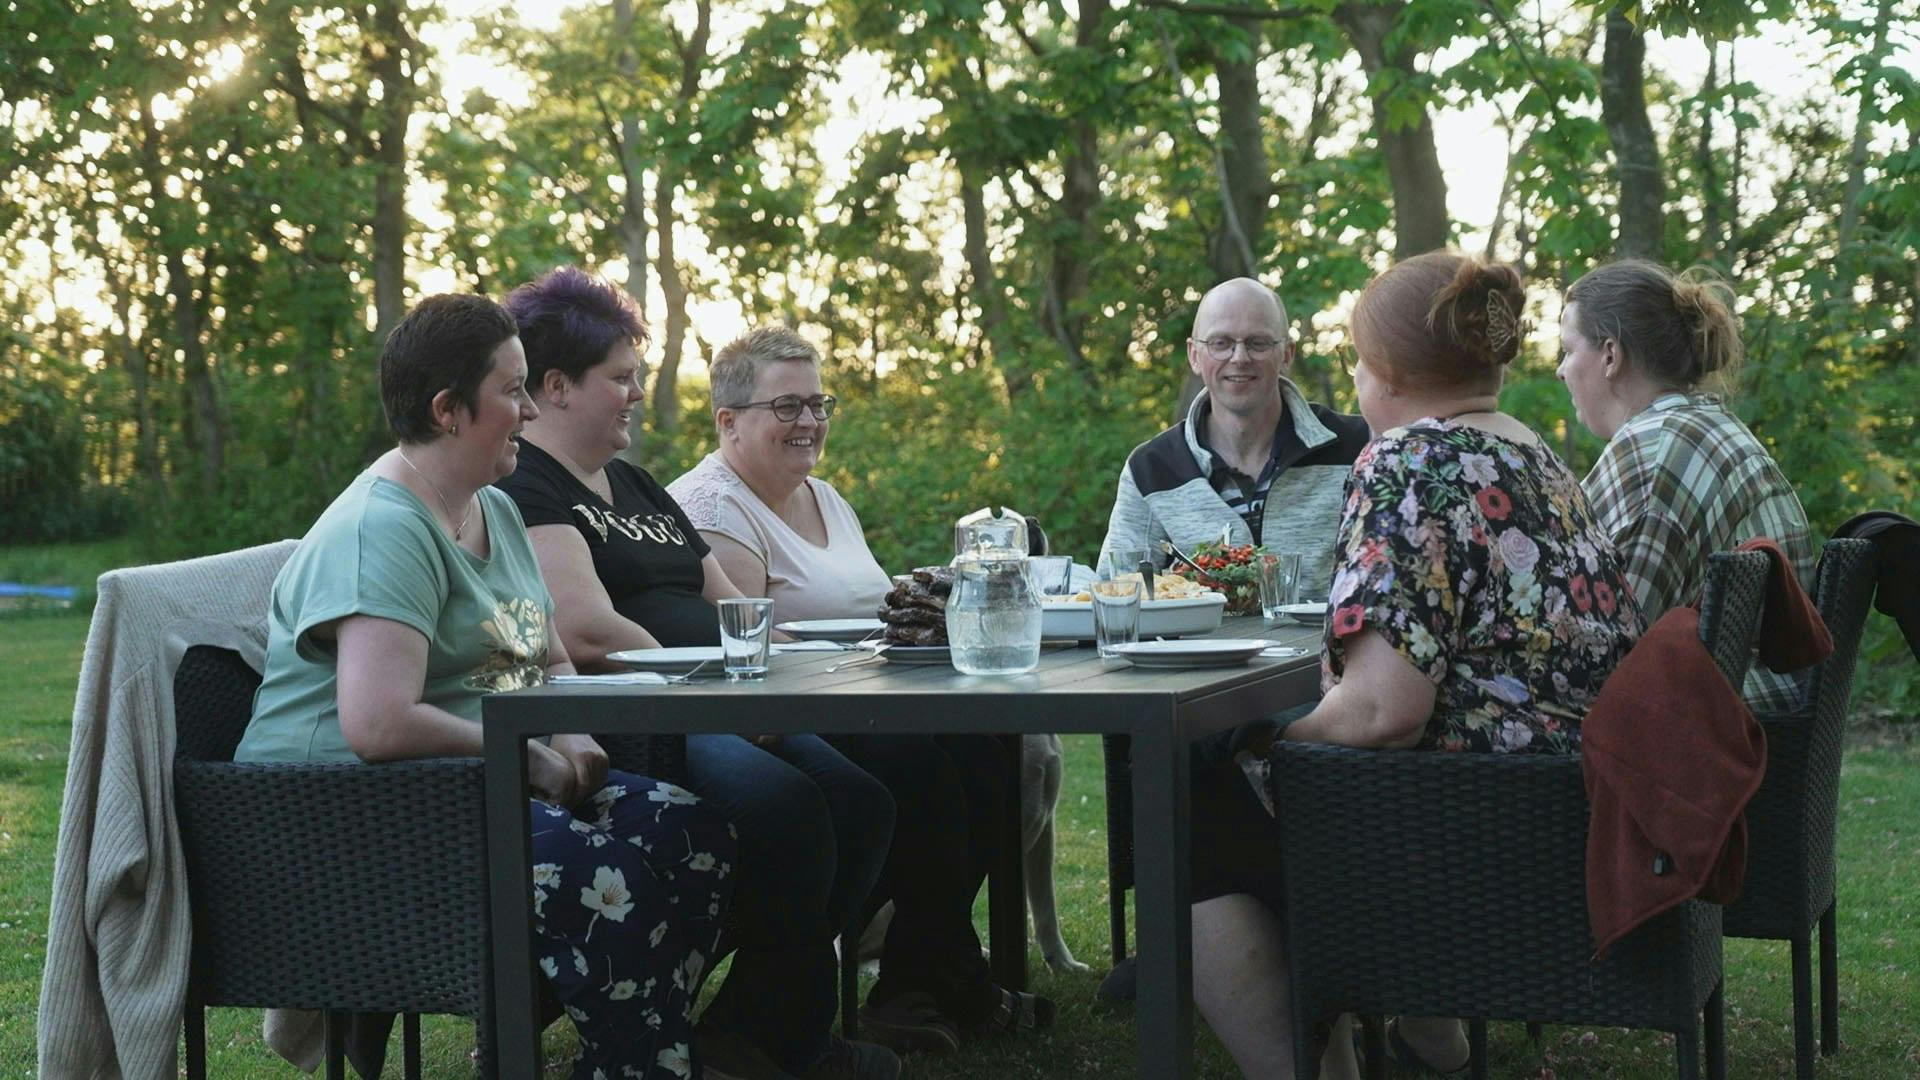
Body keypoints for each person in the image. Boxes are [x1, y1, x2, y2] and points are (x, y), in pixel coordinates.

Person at [233, 294, 734, 1080]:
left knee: (690, 834)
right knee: (606, 877)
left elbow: (548, 659)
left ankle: (623, 1057)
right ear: (447, 410)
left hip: (472, 781)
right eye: (512, 391)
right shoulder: (382, 529)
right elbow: (378, 723)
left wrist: (567, 730)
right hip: (348, 809)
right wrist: (526, 756)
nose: (530, 410)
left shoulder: (493, 510)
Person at [1202, 253, 1645, 1078]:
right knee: (1250, 772)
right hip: (1577, 810)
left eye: (1359, 361)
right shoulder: (1537, 457)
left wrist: (1258, 735)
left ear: (1392, 374)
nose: (1355, 380)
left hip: (1468, 830)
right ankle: (1429, 1036)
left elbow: (1382, 713)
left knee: (1196, 789)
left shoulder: (1409, 460)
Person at [495, 269, 899, 1080]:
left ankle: (756, 1028)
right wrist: (715, 688)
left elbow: (731, 605)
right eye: (621, 378)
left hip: (715, 695)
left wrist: (778, 670)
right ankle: (772, 1037)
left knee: (862, 799)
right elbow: (585, 630)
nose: (636, 395)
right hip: (638, 714)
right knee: (787, 808)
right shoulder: (527, 483)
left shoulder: (635, 483)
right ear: (557, 386)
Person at [668, 325, 1055, 1055]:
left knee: (989, 752)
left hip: (876, 697)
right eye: (787, 406)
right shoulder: (712, 509)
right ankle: (944, 980)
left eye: (819, 404)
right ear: (728, 420)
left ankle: (918, 976)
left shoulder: (825, 498)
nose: (810, 421)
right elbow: (745, 653)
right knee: (924, 771)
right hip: (791, 720)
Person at [1559, 259, 1815, 711]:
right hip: (1756, 719)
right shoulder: (1708, 426)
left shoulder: (1652, 453)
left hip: (1705, 727)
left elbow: (1600, 648)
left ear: (1610, 356)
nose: (1561, 370)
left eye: (1567, 349)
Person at [1098, 276, 1370, 589]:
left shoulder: (1360, 448)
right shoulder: (1151, 469)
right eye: (1221, 343)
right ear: (1194, 355)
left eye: (1258, 343)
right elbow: (1115, 593)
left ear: (1287, 354)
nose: (1239, 358)